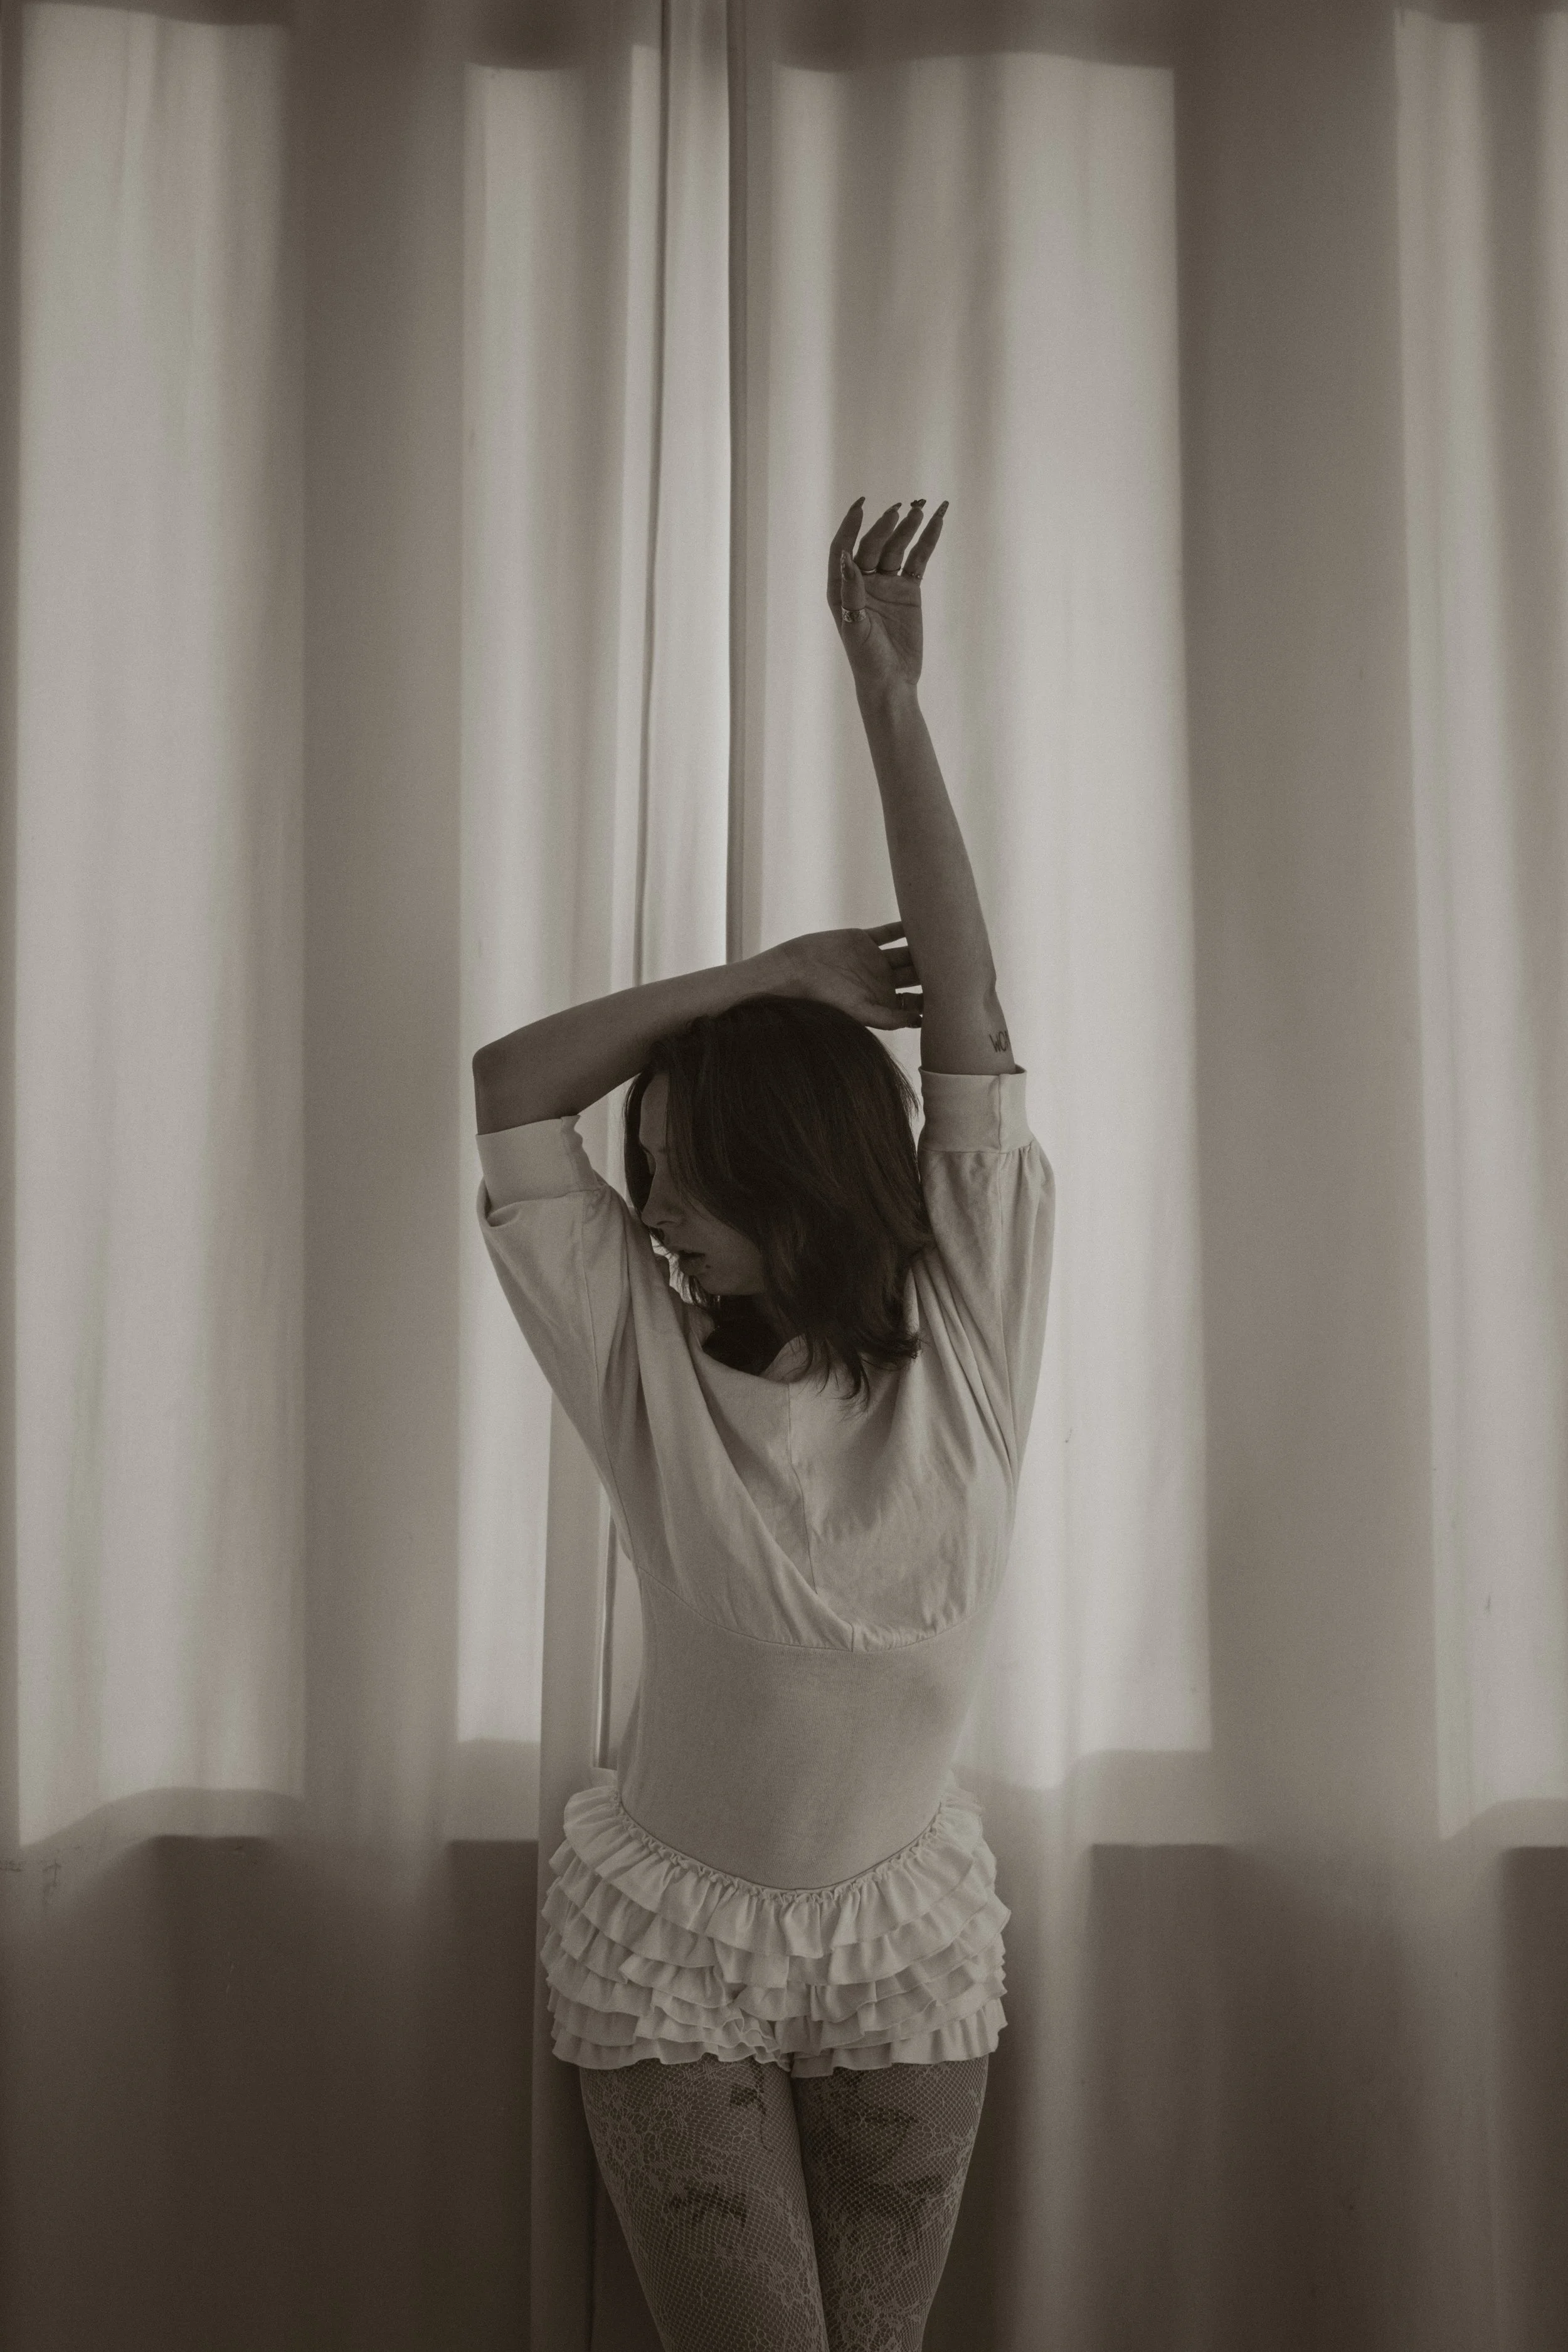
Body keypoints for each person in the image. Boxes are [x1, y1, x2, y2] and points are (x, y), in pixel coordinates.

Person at [471, 497, 1056, 2351]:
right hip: (675, 1948)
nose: (653, 1213)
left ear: (796, 1177)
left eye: (685, 1177)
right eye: (647, 1173)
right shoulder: (639, 1359)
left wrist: (889, 697)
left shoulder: (966, 1327)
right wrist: (766, 978)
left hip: (906, 1940)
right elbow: (509, 1089)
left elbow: (966, 1017)